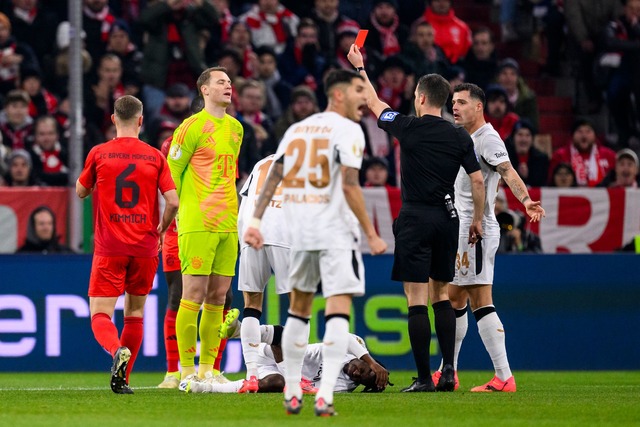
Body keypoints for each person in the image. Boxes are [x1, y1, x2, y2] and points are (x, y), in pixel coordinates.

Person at [243, 69, 388, 416]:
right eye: (357, 91)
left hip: (300, 231)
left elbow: (273, 176)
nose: (363, 100)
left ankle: (293, 389)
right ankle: (323, 395)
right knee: (337, 310)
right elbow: (351, 185)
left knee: (299, 312)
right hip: (334, 232)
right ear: (338, 95)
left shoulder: (297, 130)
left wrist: (257, 221)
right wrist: (371, 233)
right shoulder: (349, 130)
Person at [347, 44, 485, 393]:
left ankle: (425, 378)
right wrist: (477, 219)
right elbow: (478, 179)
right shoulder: (459, 135)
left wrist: (360, 67)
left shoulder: (407, 126)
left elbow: (375, 104)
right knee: (442, 295)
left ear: (421, 98)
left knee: (416, 299)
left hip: (415, 217)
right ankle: (449, 372)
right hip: (448, 217)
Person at [433, 83, 545, 393]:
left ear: (479, 107)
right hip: (463, 229)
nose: (454, 107)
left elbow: (507, 171)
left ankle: (504, 376)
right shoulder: (464, 137)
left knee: (480, 300)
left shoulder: (488, 138)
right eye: (453, 102)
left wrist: (525, 201)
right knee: (455, 298)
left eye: (462, 103)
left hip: (476, 230)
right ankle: (449, 372)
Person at [76, 95, 179, 394]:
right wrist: (162, 228)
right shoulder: (154, 156)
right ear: (141, 121)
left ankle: (115, 350)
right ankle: (124, 378)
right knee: (134, 314)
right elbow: (173, 200)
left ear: (112, 120)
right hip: (146, 247)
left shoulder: (99, 153)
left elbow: (82, 191)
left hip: (111, 246)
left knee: (100, 314)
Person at [167, 66, 244, 388]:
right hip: (198, 221)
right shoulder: (190, 127)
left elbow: (231, 177)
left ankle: (209, 370)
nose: (228, 86)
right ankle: (186, 371)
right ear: (204, 90)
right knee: (193, 294)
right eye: (221, 82)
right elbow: (170, 173)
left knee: (218, 297)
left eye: (230, 82)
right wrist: (176, 215)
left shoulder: (237, 128)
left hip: (229, 223)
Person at [236, 154, 291, 393]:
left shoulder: (260, 163)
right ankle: (296, 377)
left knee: (252, 305)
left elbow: (244, 198)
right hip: (283, 234)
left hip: (251, 230)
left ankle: (251, 375)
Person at [186, 330, 388, 394]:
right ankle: (240, 330)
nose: (356, 374)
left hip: (282, 373)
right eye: (364, 371)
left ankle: (210, 387)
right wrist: (374, 363)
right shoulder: (355, 346)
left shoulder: (343, 387)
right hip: (277, 353)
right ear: (367, 362)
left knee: (276, 384)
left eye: (361, 380)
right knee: (285, 336)